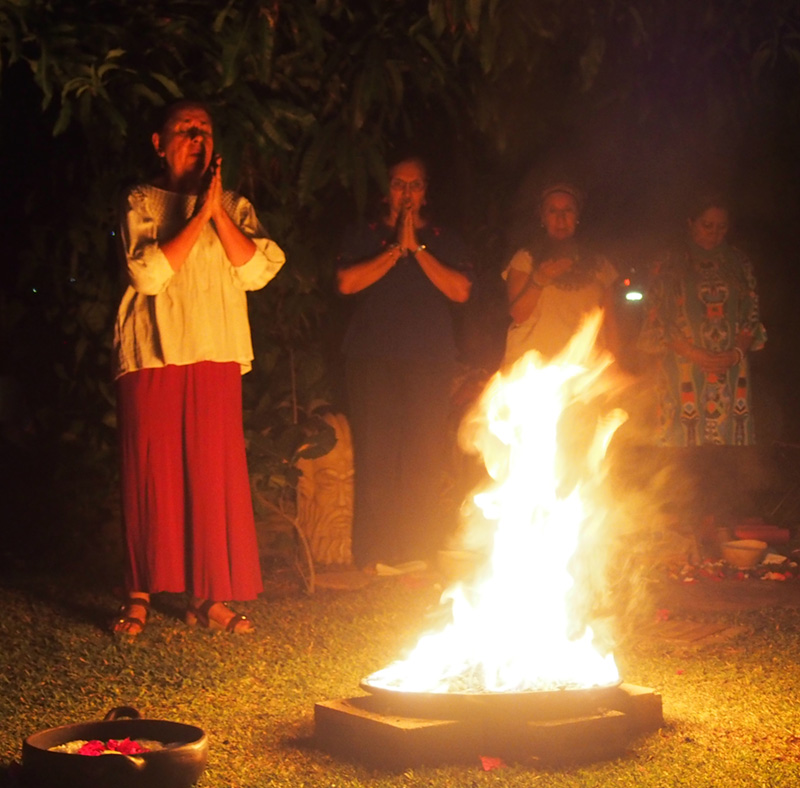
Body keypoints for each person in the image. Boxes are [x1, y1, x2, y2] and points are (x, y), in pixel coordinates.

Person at [111, 100, 286, 637]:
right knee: (151, 472)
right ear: (160, 142)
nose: (196, 136)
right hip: (155, 351)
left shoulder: (234, 205)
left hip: (215, 350)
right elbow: (147, 274)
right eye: (184, 128)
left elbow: (260, 268)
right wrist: (195, 217)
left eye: (205, 129)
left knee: (212, 476)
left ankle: (206, 596)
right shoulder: (141, 200)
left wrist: (216, 213)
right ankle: (139, 593)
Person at [336, 155, 473, 571]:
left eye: (415, 186)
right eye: (399, 184)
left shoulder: (444, 238)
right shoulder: (365, 234)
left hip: (428, 360)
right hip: (371, 358)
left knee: (423, 455)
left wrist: (419, 249)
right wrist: (397, 248)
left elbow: (460, 291)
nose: (407, 193)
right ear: (387, 190)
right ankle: (374, 553)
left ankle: (417, 550)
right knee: (376, 453)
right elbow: (346, 283)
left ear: (425, 191)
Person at [637, 190, 766, 446]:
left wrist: (735, 354)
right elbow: (656, 317)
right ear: (690, 222)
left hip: (730, 371)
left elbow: (751, 314)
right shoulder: (668, 263)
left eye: (721, 227)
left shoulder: (739, 263)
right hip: (682, 369)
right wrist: (695, 354)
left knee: (729, 455)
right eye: (707, 225)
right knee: (683, 450)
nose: (714, 233)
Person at [503, 181, 618, 366]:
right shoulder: (525, 259)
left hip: (585, 373)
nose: (561, 219)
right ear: (543, 218)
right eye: (552, 211)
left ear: (577, 217)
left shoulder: (600, 264)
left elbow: (611, 324)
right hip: (534, 371)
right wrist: (540, 279)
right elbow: (518, 315)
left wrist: (614, 363)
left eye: (568, 211)